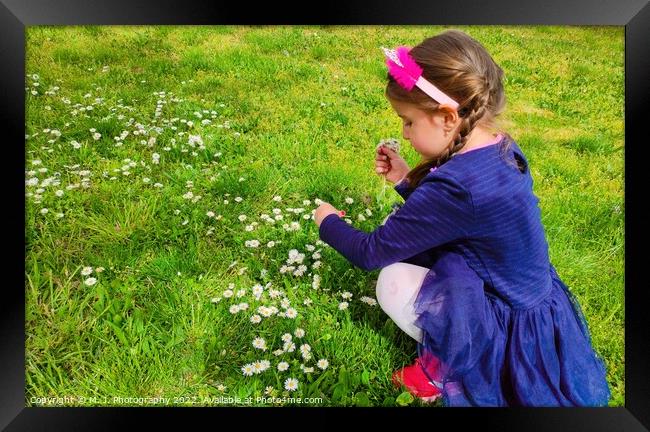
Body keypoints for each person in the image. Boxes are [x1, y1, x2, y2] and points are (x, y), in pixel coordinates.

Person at [313, 29, 611, 407]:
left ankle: (452, 363)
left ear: (448, 117)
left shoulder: (459, 187)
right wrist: (406, 180)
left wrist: (327, 221)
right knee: (433, 254)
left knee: (393, 280)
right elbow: (459, 218)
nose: (404, 133)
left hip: (508, 328)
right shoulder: (500, 147)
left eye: (408, 121)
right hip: (535, 304)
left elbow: (371, 253)